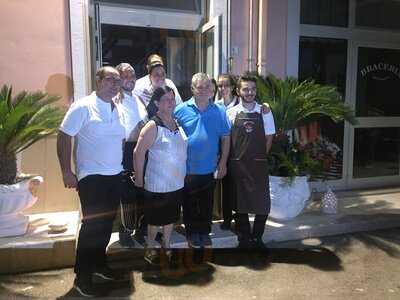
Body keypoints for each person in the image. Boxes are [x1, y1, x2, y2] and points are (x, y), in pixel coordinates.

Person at [57, 66, 125, 297]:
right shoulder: (83, 106)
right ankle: (82, 276)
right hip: (92, 178)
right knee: (92, 227)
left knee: (106, 225)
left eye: (118, 81)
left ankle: (98, 265)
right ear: (98, 81)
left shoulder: (118, 108)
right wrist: (67, 171)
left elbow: (119, 140)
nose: (115, 84)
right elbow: (64, 136)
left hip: (114, 176)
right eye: (109, 79)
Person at [175, 73, 231, 248]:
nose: (203, 90)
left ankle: (204, 233)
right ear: (192, 89)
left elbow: (226, 138)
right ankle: (192, 233)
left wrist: (222, 163)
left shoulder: (219, 111)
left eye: (207, 87)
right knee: (190, 204)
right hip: (186, 168)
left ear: (212, 89)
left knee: (207, 203)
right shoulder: (180, 110)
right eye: (199, 87)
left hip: (209, 167)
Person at [134, 86, 187, 266]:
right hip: (157, 183)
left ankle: (167, 244)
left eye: (172, 99)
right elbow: (138, 153)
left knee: (171, 217)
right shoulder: (152, 125)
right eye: (165, 99)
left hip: (176, 182)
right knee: (155, 219)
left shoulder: (177, 122)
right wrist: (139, 179)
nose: (170, 103)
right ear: (156, 103)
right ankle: (150, 247)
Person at [226, 74, 275, 249]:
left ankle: (258, 237)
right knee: (240, 203)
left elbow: (269, 137)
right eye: (245, 89)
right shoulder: (230, 113)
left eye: (253, 89)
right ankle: (245, 237)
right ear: (238, 91)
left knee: (262, 203)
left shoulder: (265, 111)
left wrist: (261, 157)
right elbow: (227, 139)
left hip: (258, 164)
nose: (250, 92)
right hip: (238, 165)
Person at [114, 63, 148, 247]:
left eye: (133, 75)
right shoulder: (114, 100)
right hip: (126, 151)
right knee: (128, 195)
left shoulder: (138, 98)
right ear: (118, 78)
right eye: (126, 76)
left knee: (143, 192)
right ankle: (126, 232)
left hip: (143, 151)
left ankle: (142, 230)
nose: (130, 79)